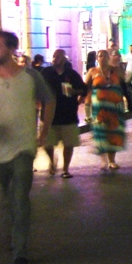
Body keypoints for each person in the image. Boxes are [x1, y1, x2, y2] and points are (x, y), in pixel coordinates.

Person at [0, 31, 53, 264]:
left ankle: (20, 248)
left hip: (24, 146)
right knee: (7, 197)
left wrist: (43, 131)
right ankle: (13, 232)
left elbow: (49, 100)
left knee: (20, 196)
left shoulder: (31, 77)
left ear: (11, 49)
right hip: (1, 149)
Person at [41, 49, 88, 178]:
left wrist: (75, 92)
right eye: (54, 56)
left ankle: (65, 169)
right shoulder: (46, 73)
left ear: (64, 59)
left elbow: (83, 89)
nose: (55, 59)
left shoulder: (71, 74)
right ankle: (52, 161)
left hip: (68, 114)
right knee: (47, 143)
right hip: (49, 116)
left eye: (58, 57)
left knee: (68, 144)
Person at [86, 49, 127, 170]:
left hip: (115, 108)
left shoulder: (116, 70)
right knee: (100, 133)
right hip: (99, 109)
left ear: (109, 58)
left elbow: (124, 84)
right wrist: (84, 101)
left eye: (105, 56)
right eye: (100, 56)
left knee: (113, 132)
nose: (102, 58)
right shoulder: (92, 71)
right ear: (97, 59)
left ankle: (112, 160)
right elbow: (85, 87)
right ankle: (103, 159)